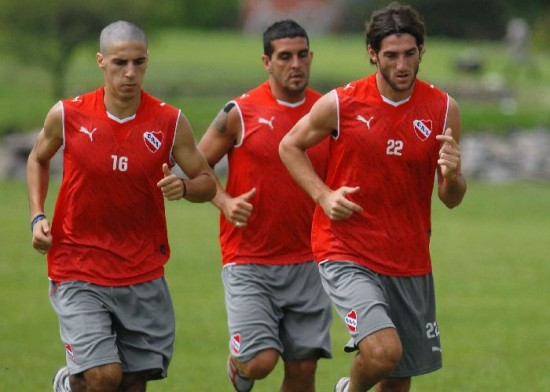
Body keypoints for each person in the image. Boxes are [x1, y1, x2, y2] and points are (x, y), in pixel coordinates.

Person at [279, 3, 467, 392]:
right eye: (391, 56)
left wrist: (454, 175)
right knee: (382, 352)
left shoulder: (444, 109)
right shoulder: (341, 103)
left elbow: (450, 198)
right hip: (346, 249)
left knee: (396, 381)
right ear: (372, 54)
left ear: (422, 51)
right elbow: (289, 145)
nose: (402, 65)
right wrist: (324, 195)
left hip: (410, 258)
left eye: (410, 54)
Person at [26, 20, 216, 392]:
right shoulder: (68, 114)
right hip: (78, 265)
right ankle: (75, 378)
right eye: (119, 63)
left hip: (142, 268)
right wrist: (37, 215)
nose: (130, 73)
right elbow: (37, 158)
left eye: (139, 62)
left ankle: (70, 384)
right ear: (101, 61)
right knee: (103, 376)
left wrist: (185, 187)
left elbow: (208, 183)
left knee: (131, 383)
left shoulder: (169, 121)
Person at [197, 20, 332, 392]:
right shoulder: (239, 112)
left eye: (302, 55)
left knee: (304, 368)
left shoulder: (327, 112)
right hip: (249, 258)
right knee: (260, 362)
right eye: (285, 57)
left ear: (311, 57)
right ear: (266, 62)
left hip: (311, 258)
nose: (296, 64)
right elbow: (197, 165)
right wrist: (223, 201)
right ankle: (240, 366)